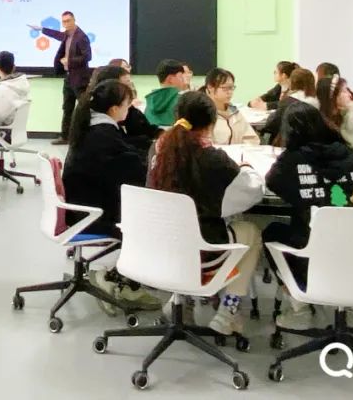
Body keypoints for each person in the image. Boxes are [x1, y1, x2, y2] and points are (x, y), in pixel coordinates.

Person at [148, 91, 265, 336]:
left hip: (157, 246)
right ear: (211, 124)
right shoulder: (212, 159)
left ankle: (181, 301)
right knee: (250, 232)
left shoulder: (157, 151)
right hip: (202, 252)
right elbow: (250, 193)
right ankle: (228, 311)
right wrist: (247, 169)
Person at [263, 104, 353, 330]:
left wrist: (308, 196)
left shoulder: (292, 160)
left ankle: (300, 306)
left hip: (312, 255)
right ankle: (351, 305)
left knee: (272, 231)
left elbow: (273, 181)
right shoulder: (350, 154)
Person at [61, 80, 153, 312]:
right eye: (127, 104)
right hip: (92, 213)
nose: (130, 108)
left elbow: (125, 153)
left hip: (82, 205)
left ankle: (118, 277)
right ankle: (119, 281)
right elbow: (133, 166)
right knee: (149, 219)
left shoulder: (93, 126)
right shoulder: (103, 134)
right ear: (114, 109)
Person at [30, 11, 92, 145]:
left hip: (80, 79)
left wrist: (69, 61)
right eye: (64, 21)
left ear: (74, 20)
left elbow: (87, 57)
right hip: (69, 78)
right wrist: (41, 29)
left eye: (68, 21)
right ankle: (65, 136)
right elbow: (57, 34)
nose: (66, 24)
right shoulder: (67, 35)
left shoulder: (81, 37)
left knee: (83, 108)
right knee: (67, 108)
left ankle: (86, 138)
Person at [91, 65, 161, 152]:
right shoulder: (102, 127)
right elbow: (122, 148)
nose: (131, 87)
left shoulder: (130, 111)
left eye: (130, 83)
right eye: (127, 84)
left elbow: (149, 130)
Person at [258, 68, 318, 146]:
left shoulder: (288, 101)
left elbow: (274, 124)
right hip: (312, 143)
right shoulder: (317, 101)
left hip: (289, 143)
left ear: (292, 82)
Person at [202, 68, 260, 146]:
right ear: (210, 88)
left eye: (231, 88)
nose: (230, 92)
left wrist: (244, 148)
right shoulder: (204, 113)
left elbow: (252, 138)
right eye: (225, 88)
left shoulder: (233, 111)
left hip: (240, 153)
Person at [317, 75, 353, 154]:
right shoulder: (321, 124)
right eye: (344, 91)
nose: (349, 94)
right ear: (334, 97)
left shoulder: (350, 116)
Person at [0, 50, 31, 129]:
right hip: (15, 131)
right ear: (14, 67)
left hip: (2, 131)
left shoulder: (2, 89)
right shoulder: (23, 84)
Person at [144, 59, 191, 127]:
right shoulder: (183, 102)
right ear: (170, 79)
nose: (183, 80)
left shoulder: (149, 103)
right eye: (180, 76)